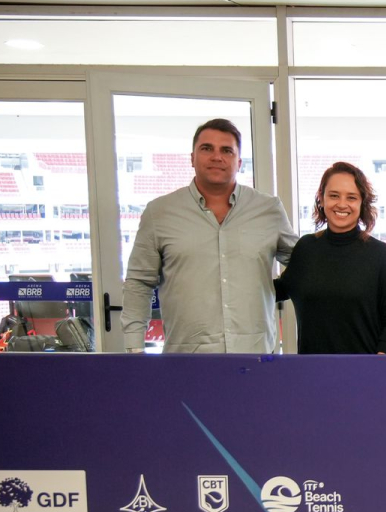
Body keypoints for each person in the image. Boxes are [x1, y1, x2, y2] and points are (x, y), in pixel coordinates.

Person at [122, 118, 296, 353]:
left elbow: (304, 265)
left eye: (226, 150)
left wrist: (278, 288)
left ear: (239, 162)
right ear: (192, 158)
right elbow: (139, 282)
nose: (217, 157)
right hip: (186, 363)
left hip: (255, 358)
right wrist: (134, 350)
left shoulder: (269, 209)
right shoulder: (159, 213)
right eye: (207, 148)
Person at [275, 161, 386, 354]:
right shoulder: (306, 248)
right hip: (311, 372)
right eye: (334, 195)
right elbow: (280, 289)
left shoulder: (381, 254)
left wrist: (379, 367)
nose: (342, 204)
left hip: (363, 372)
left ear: (362, 203)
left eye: (351, 197)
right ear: (321, 198)